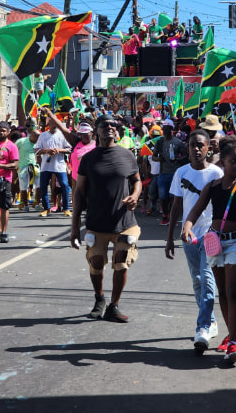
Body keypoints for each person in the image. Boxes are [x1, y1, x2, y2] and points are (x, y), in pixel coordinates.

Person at [182, 136, 236, 363]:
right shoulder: (213, 186)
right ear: (222, 162)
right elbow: (196, 210)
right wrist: (187, 227)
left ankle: (233, 342)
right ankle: (231, 335)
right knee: (223, 293)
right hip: (215, 243)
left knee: (234, 292)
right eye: (233, 161)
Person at [71, 113, 142, 323]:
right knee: (96, 264)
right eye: (104, 125)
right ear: (97, 130)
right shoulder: (88, 159)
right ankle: (99, 299)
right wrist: (75, 227)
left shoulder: (127, 155)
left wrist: (135, 195)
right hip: (96, 223)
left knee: (121, 263)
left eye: (113, 125)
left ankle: (114, 305)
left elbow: (137, 181)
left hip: (124, 223)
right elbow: (79, 193)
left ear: (117, 130)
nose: (109, 127)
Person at [165, 129, 224, 351]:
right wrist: (170, 237)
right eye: (193, 145)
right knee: (197, 280)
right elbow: (176, 206)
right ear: (187, 148)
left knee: (208, 280)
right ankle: (210, 321)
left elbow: (220, 208)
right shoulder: (181, 172)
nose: (197, 149)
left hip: (211, 236)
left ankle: (202, 328)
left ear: (209, 148)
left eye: (201, 145)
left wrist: (217, 231)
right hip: (188, 237)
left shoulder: (216, 174)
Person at [34, 114, 72, 217]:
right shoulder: (43, 135)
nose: (54, 125)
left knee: (64, 185)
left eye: (56, 123)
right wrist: (47, 151)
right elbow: (37, 150)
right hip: (46, 166)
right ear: (48, 123)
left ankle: (66, 208)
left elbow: (69, 149)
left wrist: (59, 150)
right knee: (43, 186)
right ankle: (46, 208)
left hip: (59, 165)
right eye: (52, 122)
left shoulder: (62, 135)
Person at [152, 118, 187, 225]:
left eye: (168, 128)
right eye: (164, 128)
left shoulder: (178, 142)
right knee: (163, 197)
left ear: (172, 129)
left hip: (174, 173)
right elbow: (153, 156)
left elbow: (185, 155)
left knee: (173, 197)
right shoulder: (159, 142)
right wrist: (159, 159)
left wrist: (177, 159)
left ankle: (173, 218)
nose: (166, 130)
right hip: (163, 173)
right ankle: (165, 216)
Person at [16, 124, 41, 213]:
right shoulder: (21, 141)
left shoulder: (38, 144)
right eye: (37, 137)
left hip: (35, 167)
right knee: (23, 187)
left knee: (39, 186)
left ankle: (37, 203)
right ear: (32, 135)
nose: (38, 139)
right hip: (23, 168)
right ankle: (25, 205)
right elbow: (14, 151)